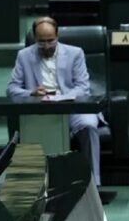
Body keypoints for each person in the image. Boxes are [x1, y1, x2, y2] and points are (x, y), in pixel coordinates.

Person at [6, 17, 101, 186]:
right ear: (35, 39)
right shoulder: (24, 56)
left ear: (58, 36)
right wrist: (31, 93)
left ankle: (93, 183)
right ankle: (37, 185)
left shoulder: (75, 53)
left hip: (73, 109)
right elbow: (12, 89)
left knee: (89, 126)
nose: (47, 46)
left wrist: (60, 98)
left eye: (51, 41)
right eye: (41, 42)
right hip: (40, 112)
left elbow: (82, 88)